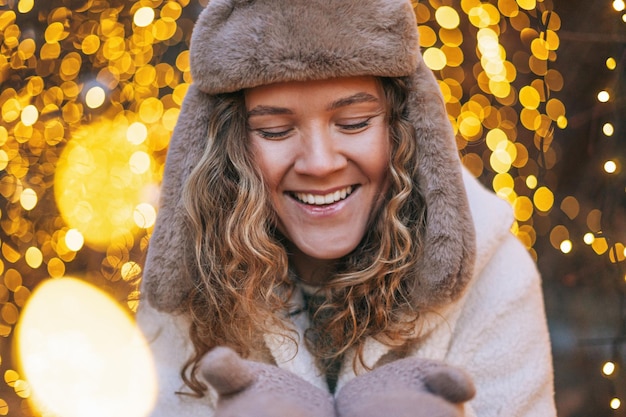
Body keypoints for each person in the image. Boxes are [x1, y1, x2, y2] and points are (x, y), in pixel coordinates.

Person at [136, 0, 557, 416]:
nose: (319, 163)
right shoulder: (194, 287)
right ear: (231, 146)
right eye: (276, 131)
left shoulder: (496, 274)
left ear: (403, 126)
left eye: (354, 122)